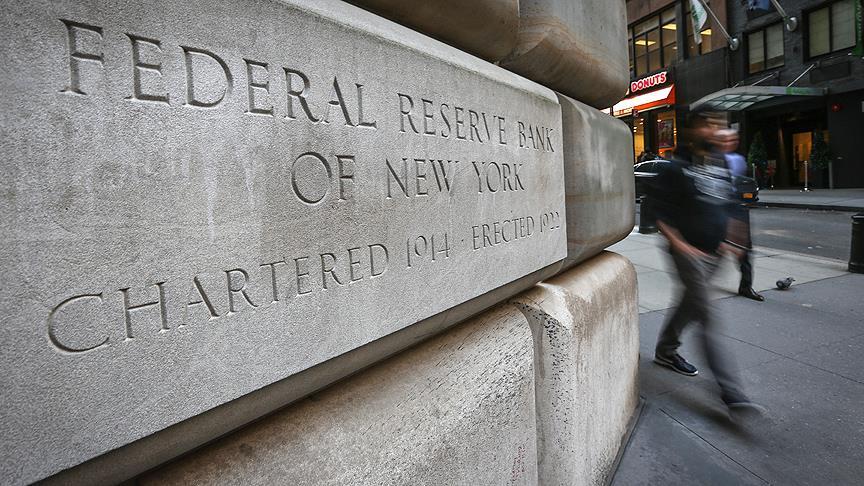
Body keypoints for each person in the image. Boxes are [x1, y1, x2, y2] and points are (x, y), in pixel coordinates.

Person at [649, 111, 765, 417]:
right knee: (707, 315)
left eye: (718, 125)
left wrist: (733, 240)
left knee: (689, 305)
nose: (715, 131)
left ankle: (665, 350)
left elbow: (731, 204)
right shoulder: (675, 168)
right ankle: (732, 393)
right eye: (708, 125)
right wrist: (681, 246)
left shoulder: (720, 163)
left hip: (714, 254)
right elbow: (658, 213)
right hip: (687, 254)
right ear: (690, 131)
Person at [718, 129, 764, 302]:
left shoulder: (738, 159)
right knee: (715, 248)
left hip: (738, 209)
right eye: (727, 139)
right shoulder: (713, 159)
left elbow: (743, 183)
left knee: (745, 249)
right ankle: (698, 280)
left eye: (734, 139)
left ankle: (746, 286)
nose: (731, 142)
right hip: (720, 209)